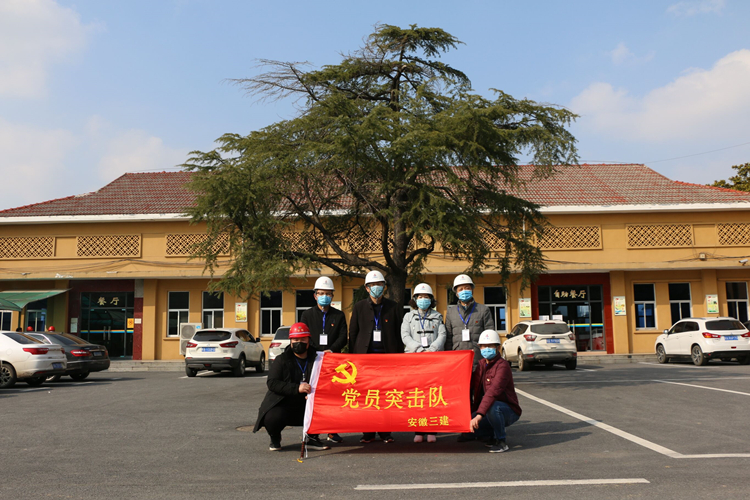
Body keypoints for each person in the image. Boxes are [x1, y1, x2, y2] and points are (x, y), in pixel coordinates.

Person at [253, 322, 330, 452]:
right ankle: (275, 438)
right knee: (271, 418)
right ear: (290, 341)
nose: (299, 343)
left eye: (303, 339)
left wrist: (330, 358)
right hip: (284, 402)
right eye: (295, 340)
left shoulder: (318, 359)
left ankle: (312, 437)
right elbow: (272, 383)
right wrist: (296, 388)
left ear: (309, 340)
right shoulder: (281, 360)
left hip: (308, 403)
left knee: (327, 409)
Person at [349, 269, 404, 443]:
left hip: (387, 360)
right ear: (366, 288)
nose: (376, 288)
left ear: (384, 287)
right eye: (372, 285)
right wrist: (352, 359)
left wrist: (399, 358)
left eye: (379, 284)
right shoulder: (359, 307)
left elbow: (399, 334)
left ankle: (385, 432)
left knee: (386, 397)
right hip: (365, 360)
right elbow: (353, 333)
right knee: (367, 397)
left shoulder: (393, 307)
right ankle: (368, 432)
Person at [300, 276, 347, 443]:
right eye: (321, 293)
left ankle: (333, 431)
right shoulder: (307, 315)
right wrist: (316, 352)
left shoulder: (338, 315)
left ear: (332, 296)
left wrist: (331, 350)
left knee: (334, 396)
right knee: (314, 396)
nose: (324, 296)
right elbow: (305, 336)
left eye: (328, 294)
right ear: (315, 295)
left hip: (333, 361)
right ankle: (313, 432)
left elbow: (343, 337)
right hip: (314, 361)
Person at [461, 329, 522, 453]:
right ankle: (490, 435)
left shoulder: (503, 366)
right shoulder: (481, 365)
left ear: (497, 348)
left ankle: (501, 441)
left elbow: (492, 393)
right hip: (487, 409)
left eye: (490, 346)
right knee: (467, 427)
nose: (486, 349)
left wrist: (479, 416)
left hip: (507, 410)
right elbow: (471, 385)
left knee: (493, 407)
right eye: (483, 346)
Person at [401, 282, 446, 443]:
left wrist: (432, 349)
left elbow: (442, 335)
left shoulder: (437, 316)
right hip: (415, 359)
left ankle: (432, 430)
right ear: (415, 299)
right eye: (420, 297)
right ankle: (418, 431)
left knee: (432, 395)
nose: (423, 299)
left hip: (433, 360)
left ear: (431, 299)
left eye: (426, 297)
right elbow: (405, 335)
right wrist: (418, 349)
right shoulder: (408, 316)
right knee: (417, 396)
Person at [445, 274, 495, 369]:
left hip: (478, 358)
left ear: (472, 290)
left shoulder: (483, 310)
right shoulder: (451, 312)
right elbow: (448, 339)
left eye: (467, 288)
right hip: (458, 359)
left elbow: (490, 335)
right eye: (460, 289)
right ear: (456, 293)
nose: (464, 291)